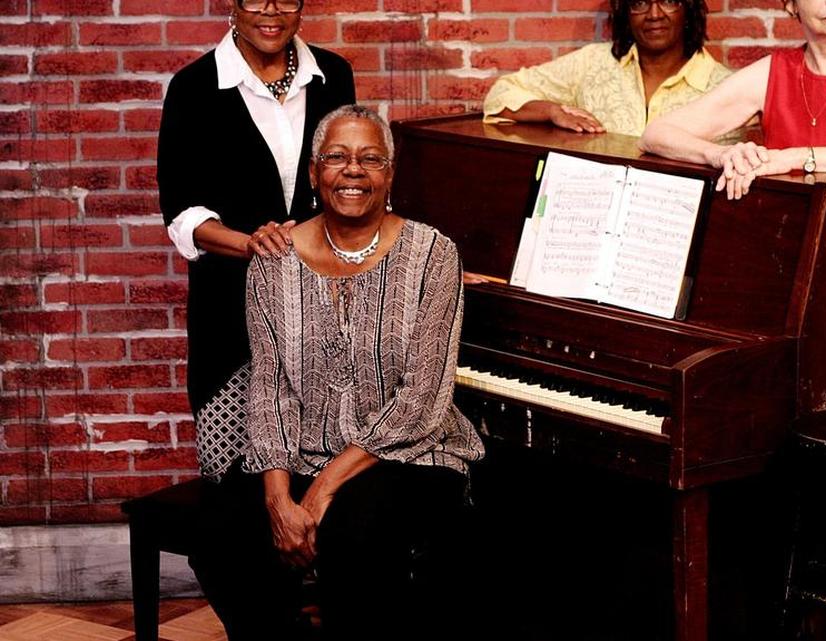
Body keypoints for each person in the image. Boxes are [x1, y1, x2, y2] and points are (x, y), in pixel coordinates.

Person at [639, 0, 826, 635]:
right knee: (798, 447)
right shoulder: (770, 73)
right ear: (789, 3)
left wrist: (792, 158)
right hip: (799, 284)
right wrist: (727, 157)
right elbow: (657, 133)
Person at [193, 105, 486, 641]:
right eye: (337, 157)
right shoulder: (273, 259)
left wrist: (321, 492)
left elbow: (423, 399)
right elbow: (270, 390)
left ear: (389, 175)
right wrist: (279, 500)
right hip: (302, 448)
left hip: (410, 454)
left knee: (357, 533)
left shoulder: (432, 254)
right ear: (313, 173)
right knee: (219, 531)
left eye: (371, 158)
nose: (353, 170)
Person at [157, 0, 355, 483]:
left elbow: (352, 177)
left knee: (322, 479)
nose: (271, 11)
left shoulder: (332, 74)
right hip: (232, 317)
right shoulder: (194, 88)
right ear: (233, 3)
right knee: (238, 484)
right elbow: (183, 215)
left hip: (325, 312)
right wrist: (250, 243)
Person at [482, 0, 731, 136]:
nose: (654, 14)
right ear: (625, 12)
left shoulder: (725, 87)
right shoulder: (592, 64)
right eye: (640, 2)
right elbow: (501, 93)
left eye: (668, 1)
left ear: (689, 9)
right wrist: (552, 111)